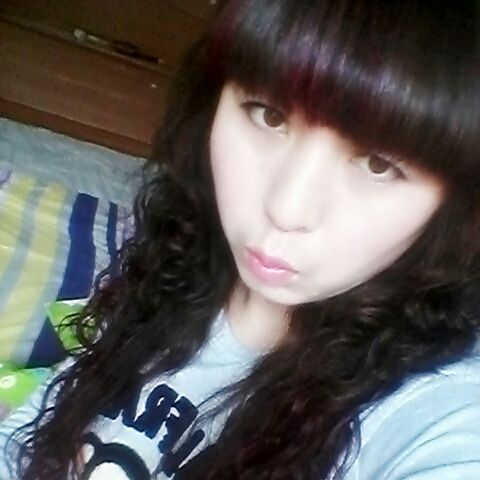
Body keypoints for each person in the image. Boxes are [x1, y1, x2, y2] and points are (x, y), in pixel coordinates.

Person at [1, 0, 480, 478]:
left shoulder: (431, 410)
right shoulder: (178, 256)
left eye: (378, 164)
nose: (285, 209)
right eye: (269, 115)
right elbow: (43, 423)